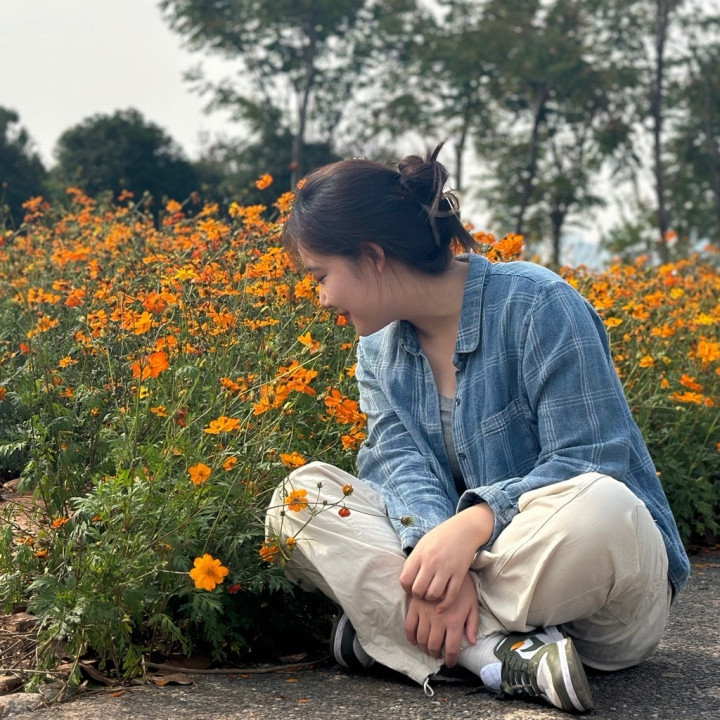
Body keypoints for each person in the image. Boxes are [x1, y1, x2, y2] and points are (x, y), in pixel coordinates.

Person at [265, 144, 690, 714]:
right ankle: (498, 655)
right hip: (470, 573)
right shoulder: (378, 349)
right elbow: (397, 466)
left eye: (321, 276)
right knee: (299, 500)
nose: (321, 298)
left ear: (372, 256)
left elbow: (594, 457)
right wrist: (434, 547)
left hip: (600, 605)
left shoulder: (539, 305)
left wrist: (471, 529)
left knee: (604, 503)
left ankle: (395, 633)